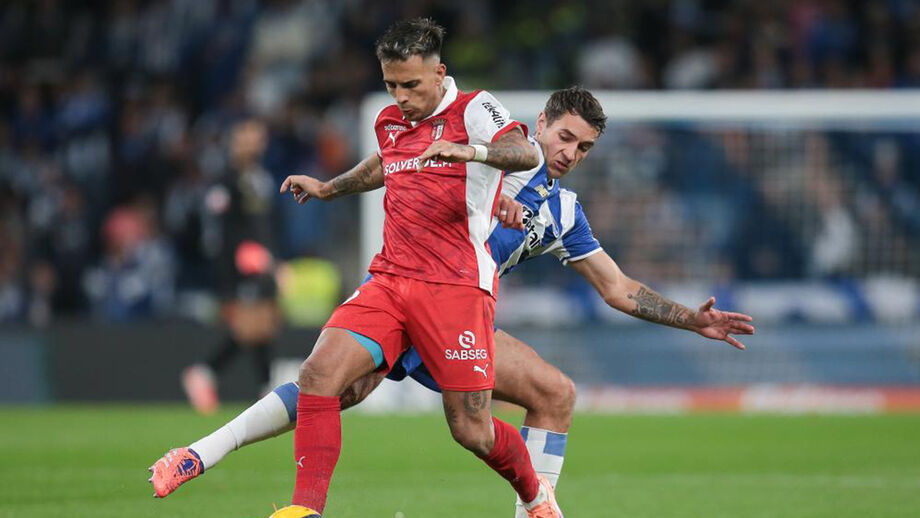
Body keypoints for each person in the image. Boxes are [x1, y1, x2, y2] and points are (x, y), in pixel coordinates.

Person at [149, 86, 755, 517]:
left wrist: (691, 319)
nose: (570, 152)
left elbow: (617, 287)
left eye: (584, 147)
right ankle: (200, 454)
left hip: (459, 315)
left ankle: (536, 508)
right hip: (409, 287)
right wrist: (477, 198)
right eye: (565, 136)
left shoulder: (565, 212)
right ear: (540, 123)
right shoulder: (491, 151)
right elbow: (404, 162)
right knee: (333, 384)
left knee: (553, 395)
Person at [181, 118, 282, 415]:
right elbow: (221, 230)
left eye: (258, 137)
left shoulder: (261, 178)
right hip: (243, 265)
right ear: (234, 143)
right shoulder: (226, 180)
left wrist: (273, 258)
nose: (254, 143)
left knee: (264, 325)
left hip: (263, 260)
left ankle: (260, 385)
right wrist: (239, 260)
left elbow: (264, 225)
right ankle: (207, 372)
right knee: (251, 325)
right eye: (247, 137)